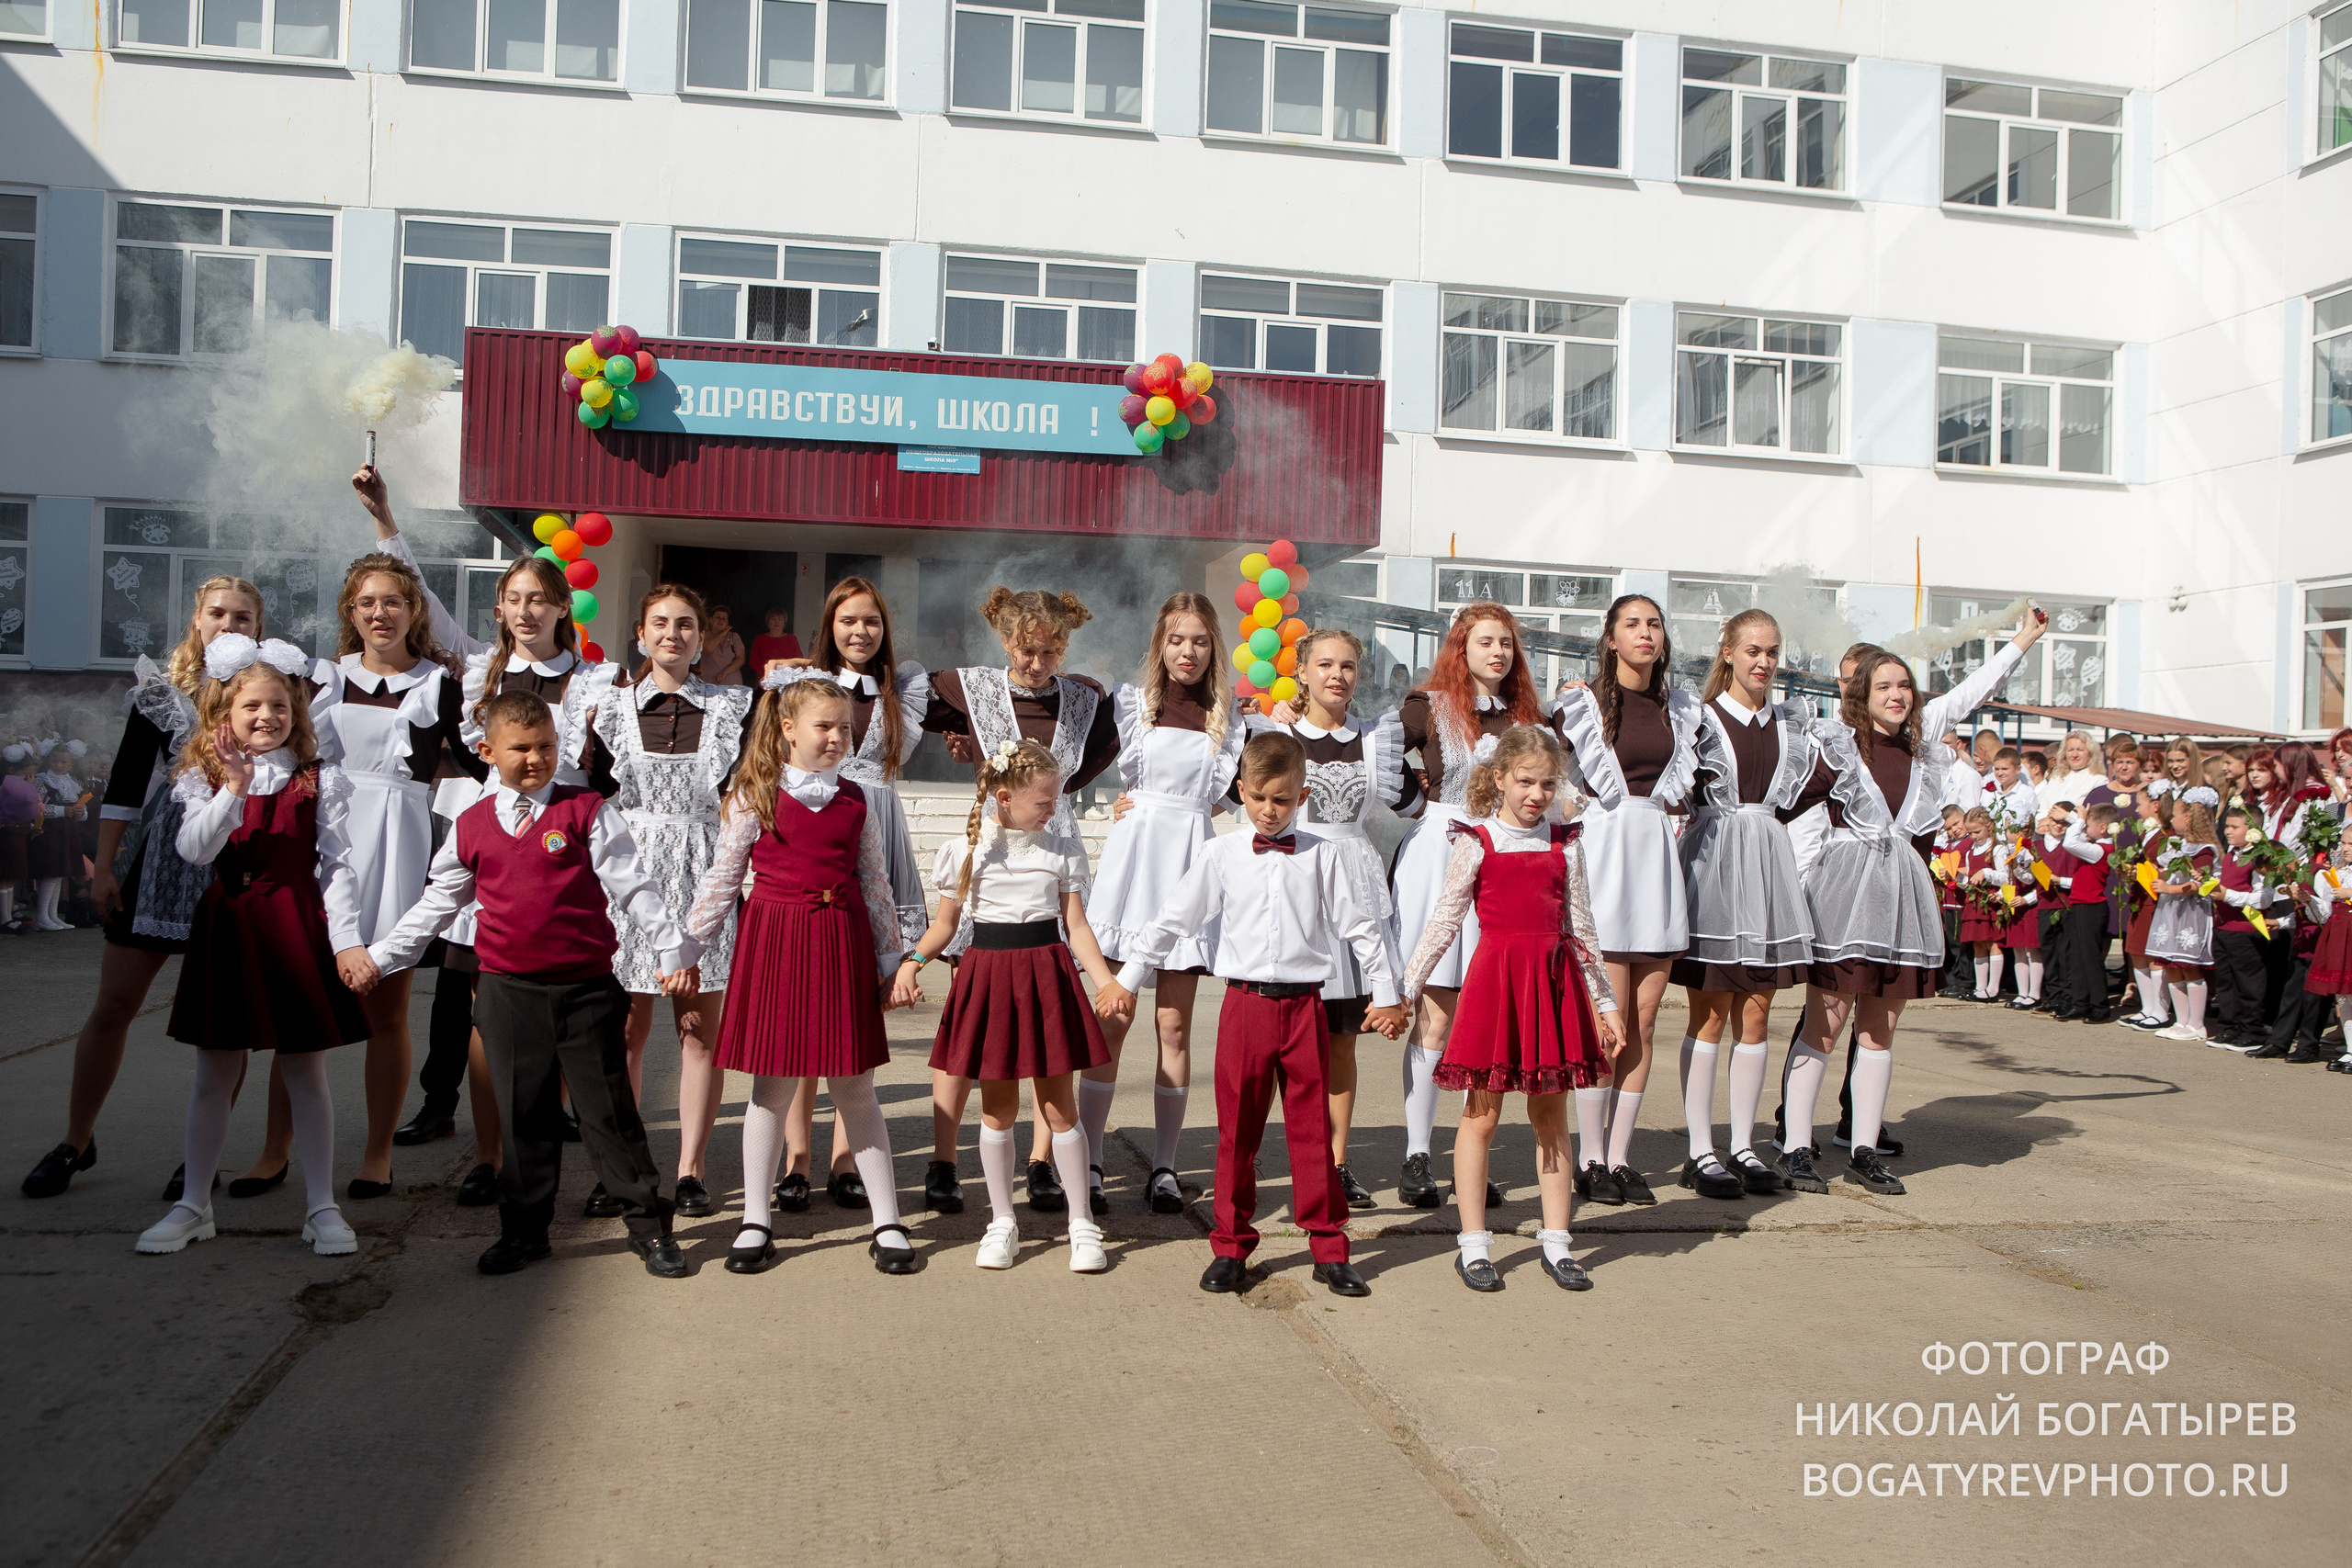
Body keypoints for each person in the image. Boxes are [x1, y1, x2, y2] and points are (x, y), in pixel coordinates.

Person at [362, 690, 698, 1280]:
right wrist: (382, 956)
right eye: (520, 748)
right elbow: (438, 902)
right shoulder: (469, 825)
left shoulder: (585, 810)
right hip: (507, 993)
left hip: (586, 989)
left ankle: (649, 1226)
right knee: (523, 1116)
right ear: (487, 751)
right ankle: (525, 1231)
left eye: (546, 746)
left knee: (607, 1114)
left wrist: (672, 947)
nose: (536, 758)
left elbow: (634, 885)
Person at [1110, 730, 1407, 1299]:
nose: (1269, 810)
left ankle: (1328, 1246)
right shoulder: (1220, 854)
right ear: (1241, 790)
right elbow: (1172, 921)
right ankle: (1230, 1245)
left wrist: (1385, 992)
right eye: (1259, 797)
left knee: (1312, 1130)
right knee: (1237, 1131)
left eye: (1283, 799)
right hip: (1245, 1007)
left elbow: (1362, 928)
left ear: (1304, 795)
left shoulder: (1321, 854)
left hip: (1305, 1006)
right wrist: (1126, 981)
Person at [1783, 608, 2049, 1197]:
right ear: (1861, 695)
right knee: (1826, 1024)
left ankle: (1863, 1148)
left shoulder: (1925, 751)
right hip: (1843, 899)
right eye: (1884, 686)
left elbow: (1974, 691)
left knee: (1880, 1029)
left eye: (1904, 685)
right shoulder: (1835, 747)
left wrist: (2024, 640)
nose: (1897, 695)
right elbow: (1774, 805)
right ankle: (1796, 1147)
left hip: (1901, 900)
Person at [20, 577, 268, 1201]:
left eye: (242, 616)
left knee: (222, 1024)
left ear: (259, 626)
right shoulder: (162, 692)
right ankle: (75, 1140)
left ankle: (201, 1155)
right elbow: (127, 787)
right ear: (197, 619)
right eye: (218, 613)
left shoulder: (272, 690)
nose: (229, 624)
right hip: (160, 860)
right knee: (113, 1005)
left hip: (235, 859)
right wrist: (104, 867)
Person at [136, 638, 369, 1258]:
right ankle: (194, 1204)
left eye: (279, 706)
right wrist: (233, 789)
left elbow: (337, 867)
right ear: (224, 714)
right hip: (229, 928)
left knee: (305, 1070)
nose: (267, 716)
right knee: (214, 1070)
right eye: (252, 707)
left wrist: (346, 942)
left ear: (296, 712)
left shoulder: (319, 778)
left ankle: (321, 1206)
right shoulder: (204, 777)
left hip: (295, 924)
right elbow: (196, 851)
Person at [688, 671, 918, 1278]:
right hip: (776, 942)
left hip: (842, 944)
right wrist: (686, 948)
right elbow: (723, 876)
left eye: (845, 727)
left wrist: (892, 961)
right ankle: (755, 1220)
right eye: (824, 726)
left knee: (855, 1087)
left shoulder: (857, 799)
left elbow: (875, 882)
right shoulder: (754, 793)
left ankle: (887, 1220)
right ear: (788, 729)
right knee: (771, 1089)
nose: (838, 737)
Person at [297, 525, 485, 1202]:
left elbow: (479, 762)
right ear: (350, 611)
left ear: (413, 610)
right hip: (325, 838)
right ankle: (275, 1148)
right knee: (304, 1009)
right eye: (367, 602)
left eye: (393, 602)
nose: (381, 613)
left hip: (401, 838)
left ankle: (377, 1153)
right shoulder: (319, 677)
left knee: (388, 1007)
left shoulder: (441, 683)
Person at [1400, 725, 1621, 1292]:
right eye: (1525, 782)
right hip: (1496, 988)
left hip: (1552, 987)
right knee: (1482, 1116)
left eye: (1547, 784)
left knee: (1551, 1117)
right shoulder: (1476, 840)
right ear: (1498, 778)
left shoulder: (1565, 843)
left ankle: (1558, 1242)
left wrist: (1605, 1002)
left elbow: (1582, 927)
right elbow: (1444, 921)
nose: (1536, 795)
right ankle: (1473, 1244)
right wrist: (1405, 990)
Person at [894, 739, 1129, 1272]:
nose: (1053, 809)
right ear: (1004, 798)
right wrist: (912, 964)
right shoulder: (965, 851)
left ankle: (1081, 1223)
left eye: (1056, 799)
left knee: (1059, 1108)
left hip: (1047, 978)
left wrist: (1106, 981)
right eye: (1044, 801)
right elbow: (944, 925)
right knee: (997, 1108)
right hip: (990, 979)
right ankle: (1002, 1221)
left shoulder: (1061, 850)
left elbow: (1076, 927)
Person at [921, 587, 1117, 1214]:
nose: (1037, 662)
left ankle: (1040, 1160)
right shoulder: (971, 687)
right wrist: (965, 744)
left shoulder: (1084, 698)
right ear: (1005, 642)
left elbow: (1102, 755)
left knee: (1044, 1017)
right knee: (971, 1022)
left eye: (1051, 651)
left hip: (1052, 846)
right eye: (1026, 650)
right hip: (992, 851)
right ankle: (945, 1158)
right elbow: (902, 695)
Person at [583, 585, 753, 1218]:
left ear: (702, 638)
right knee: (626, 1031)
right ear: (640, 634)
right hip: (627, 877)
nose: (673, 635)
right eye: (660, 623)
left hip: (706, 873)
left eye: (685, 624)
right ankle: (623, 1168)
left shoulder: (735, 706)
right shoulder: (609, 706)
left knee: (698, 1032)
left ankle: (690, 1170)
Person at [774, 576, 935, 1211]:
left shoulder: (904, 690)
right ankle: (797, 1157)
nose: (860, 631)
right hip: (817, 831)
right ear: (829, 626)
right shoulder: (799, 685)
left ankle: (845, 1159)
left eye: (870, 620)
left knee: (856, 1007)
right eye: (847, 620)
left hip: (878, 831)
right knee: (803, 1006)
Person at [1081, 592, 1245, 1217]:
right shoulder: (1129, 705)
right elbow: (1070, 760)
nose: (1188, 651)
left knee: (1173, 1027)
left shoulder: (1230, 718)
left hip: (1188, 871)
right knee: (1112, 1018)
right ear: (1161, 644)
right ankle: (1090, 1160)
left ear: (1213, 648)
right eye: (1177, 639)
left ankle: (1166, 1166)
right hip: (1132, 866)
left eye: (1199, 640)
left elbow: (1247, 791)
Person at [1388, 602, 1548, 1210]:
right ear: (1462, 646)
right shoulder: (1427, 705)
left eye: (1506, 642)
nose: (1498, 652)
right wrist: (1415, 803)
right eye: (1485, 641)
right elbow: (1379, 754)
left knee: (1482, 1013)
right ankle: (1417, 1154)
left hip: (1502, 859)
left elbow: (1555, 778)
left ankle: (1468, 1160)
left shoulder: (1527, 715)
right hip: (1439, 852)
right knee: (1435, 1010)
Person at [1251, 627, 1419, 1209]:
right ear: (1302, 671)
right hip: (1293, 886)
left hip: (1354, 890)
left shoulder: (1377, 739)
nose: (1337, 676)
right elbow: (1234, 798)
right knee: (1279, 1041)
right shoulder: (1275, 736)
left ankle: (1335, 1162)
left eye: (1347, 666)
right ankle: (1270, 1155)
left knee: (1341, 1040)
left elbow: (1417, 803)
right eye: (1324, 664)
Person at [1552, 593, 1700, 1207]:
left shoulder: (1681, 707)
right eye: (1632, 624)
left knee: (1645, 1018)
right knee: (1606, 1020)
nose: (1645, 634)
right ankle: (1589, 1156)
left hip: (1656, 858)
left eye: (1654, 624)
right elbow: (1543, 770)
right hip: (1606, 856)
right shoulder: (1580, 703)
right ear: (1610, 638)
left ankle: (1619, 1155)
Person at [1672, 609, 1819, 1201]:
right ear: (1728, 652)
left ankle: (1743, 1146)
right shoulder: (1700, 718)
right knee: (1709, 1014)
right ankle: (1699, 1150)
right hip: (1713, 867)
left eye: (1772, 652)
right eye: (1753, 650)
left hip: (1767, 871)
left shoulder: (1792, 724)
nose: (1764, 662)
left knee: (1756, 1015)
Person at [2144, 787, 2222, 1042]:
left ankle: (2197, 1024)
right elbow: (2169, 873)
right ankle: (2181, 1021)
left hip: (2191, 913)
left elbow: (2199, 884)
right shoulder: (2178, 846)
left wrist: (2169, 888)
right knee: (2172, 966)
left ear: (2188, 817)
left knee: (2189, 967)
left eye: (2175, 815)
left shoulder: (2204, 849)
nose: (2171, 820)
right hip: (2171, 911)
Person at [2208, 805, 2283, 1051]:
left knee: (2249, 982)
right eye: (2227, 826)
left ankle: (2252, 1031)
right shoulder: (2231, 854)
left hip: (2246, 930)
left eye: (2234, 827)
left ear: (2251, 830)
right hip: (2224, 926)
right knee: (2226, 982)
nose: (2227, 831)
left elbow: (2264, 899)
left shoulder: (2259, 858)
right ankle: (2231, 1027)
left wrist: (2228, 895)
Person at [2049, 803, 2122, 1023]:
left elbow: (2070, 842)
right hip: (2081, 904)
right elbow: (2080, 838)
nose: (2084, 828)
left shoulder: (2100, 850)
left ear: (2102, 828)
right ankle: (2080, 1002)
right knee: (2078, 957)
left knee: (2090, 958)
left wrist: (2078, 819)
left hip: (2092, 907)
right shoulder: (2095, 845)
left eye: (2088, 825)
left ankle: (2100, 1006)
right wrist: (2075, 818)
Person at [29, 745, 88, 931]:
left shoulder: (73, 781)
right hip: (51, 832)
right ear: (49, 760)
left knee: (60, 873)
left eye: (64, 761)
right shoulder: (42, 780)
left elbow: (82, 808)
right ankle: (42, 916)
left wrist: (81, 812)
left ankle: (52, 915)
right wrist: (62, 810)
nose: (59, 765)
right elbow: (36, 807)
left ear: (71, 763)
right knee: (52, 872)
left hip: (68, 831)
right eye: (55, 761)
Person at [0, 746, 35, 932]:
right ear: (12, 770)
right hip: (7, 834)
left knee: (11, 877)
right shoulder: (7, 786)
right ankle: (4, 918)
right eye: (24, 774)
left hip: (18, 833)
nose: (27, 777)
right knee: (5, 877)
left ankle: (9, 911)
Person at [2046, 731, 2108, 804]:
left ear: (2091, 753)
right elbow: (2043, 807)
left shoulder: (2099, 780)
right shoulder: (2056, 778)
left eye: (2080, 749)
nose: (2075, 754)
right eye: (2070, 750)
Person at [747, 607, 802, 671]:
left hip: (787, 674)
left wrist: (785, 663)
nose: (777, 622)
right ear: (768, 621)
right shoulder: (759, 639)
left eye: (780, 619)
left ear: (785, 623)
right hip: (765, 674)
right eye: (773, 619)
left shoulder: (791, 639)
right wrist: (770, 663)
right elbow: (753, 661)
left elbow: (799, 659)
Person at [703, 604, 746, 687]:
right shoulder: (704, 635)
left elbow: (741, 659)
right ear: (711, 620)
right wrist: (722, 634)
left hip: (732, 683)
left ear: (727, 622)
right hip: (708, 683)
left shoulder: (734, 636)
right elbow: (708, 649)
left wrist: (725, 672)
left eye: (724, 618)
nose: (720, 620)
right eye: (718, 617)